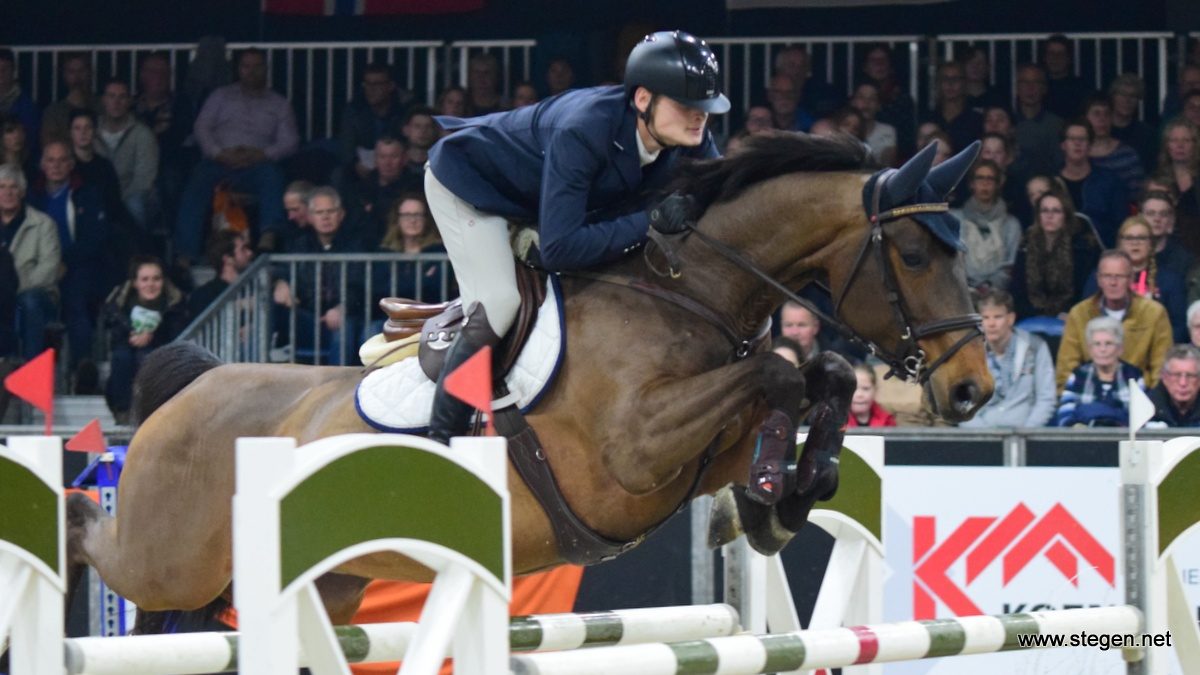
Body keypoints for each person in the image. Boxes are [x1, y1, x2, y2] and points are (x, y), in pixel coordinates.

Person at [422, 30, 727, 446]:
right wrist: (651, 221)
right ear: (643, 100)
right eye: (686, 105)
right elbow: (561, 249)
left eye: (705, 107)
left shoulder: (691, 137)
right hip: (470, 187)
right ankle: (440, 439)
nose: (700, 117)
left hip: (536, 200)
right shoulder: (584, 130)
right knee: (499, 300)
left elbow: (721, 200)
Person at [176, 47, 298, 263]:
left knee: (273, 176)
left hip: (258, 165)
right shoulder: (220, 96)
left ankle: (268, 237)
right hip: (219, 163)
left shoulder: (279, 103)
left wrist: (262, 154)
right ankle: (186, 254)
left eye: (257, 66)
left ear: (266, 69)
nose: (252, 72)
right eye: (246, 66)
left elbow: (290, 141)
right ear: (238, 69)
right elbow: (202, 127)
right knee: (197, 181)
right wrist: (218, 153)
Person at [27, 141, 112, 371]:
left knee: (77, 302)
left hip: (77, 266)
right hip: (37, 269)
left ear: (72, 164)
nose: (56, 165)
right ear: (42, 164)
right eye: (51, 160)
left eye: (62, 160)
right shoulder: (31, 197)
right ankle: (27, 368)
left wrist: (65, 262)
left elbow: (94, 239)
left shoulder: (86, 193)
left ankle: (82, 365)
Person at [271, 187, 364, 365]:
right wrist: (281, 282)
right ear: (310, 217)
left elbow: (359, 286)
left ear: (341, 214)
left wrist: (341, 308)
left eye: (330, 211)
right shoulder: (300, 244)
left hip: (343, 318)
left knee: (344, 330)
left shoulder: (355, 245)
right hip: (309, 319)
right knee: (270, 309)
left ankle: (335, 388)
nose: (325, 217)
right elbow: (283, 268)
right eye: (319, 212)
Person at [1056, 250, 1172, 390]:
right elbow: (1066, 368)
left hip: (1138, 394)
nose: (1113, 282)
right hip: (1088, 395)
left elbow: (1161, 368)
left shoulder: (1154, 313)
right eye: (1107, 276)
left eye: (1119, 276)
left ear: (1130, 279)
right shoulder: (1079, 314)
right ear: (1098, 280)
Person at [102, 255, 187, 423]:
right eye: (145, 279)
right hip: (125, 355)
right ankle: (123, 413)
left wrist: (152, 336)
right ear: (135, 283)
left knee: (148, 358)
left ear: (163, 282)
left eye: (156, 279)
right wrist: (132, 334)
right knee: (122, 357)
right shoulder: (120, 303)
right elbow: (113, 329)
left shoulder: (174, 304)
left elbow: (176, 337)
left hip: (161, 358)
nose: (151, 284)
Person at [1081, 216, 1188, 343]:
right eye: (1129, 238)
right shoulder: (1100, 276)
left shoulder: (1171, 280)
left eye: (1141, 238)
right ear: (1119, 243)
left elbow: (1179, 326)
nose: (1135, 243)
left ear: (1151, 244)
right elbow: (1086, 316)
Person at [959, 290, 1056, 428]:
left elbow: (1046, 398)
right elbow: (962, 402)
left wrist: (1027, 434)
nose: (991, 324)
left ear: (1010, 319)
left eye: (997, 317)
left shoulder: (1035, 347)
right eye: (985, 318)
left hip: (1025, 435)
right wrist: (981, 435)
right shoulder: (968, 353)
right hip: (980, 435)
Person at [1013, 189, 1100, 326]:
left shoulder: (1081, 248)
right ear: (1038, 216)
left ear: (1066, 215)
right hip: (1029, 318)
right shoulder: (1026, 246)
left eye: (1056, 211)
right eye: (1044, 211)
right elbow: (1017, 290)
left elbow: (1084, 292)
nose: (1049, 216)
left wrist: (1069, 314)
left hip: (1069, 318)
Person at [0, 162, 60, 361]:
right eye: (2, 187)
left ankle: (29, 372)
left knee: (29, 302)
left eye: (13, 187)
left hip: (35, 294)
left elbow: (49, 268)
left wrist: (11, 289)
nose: (8, 192)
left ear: (23, 191)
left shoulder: (43, 224)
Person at [1055, 315, 1144, 426]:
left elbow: (1142, 419)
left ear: (1120, 349)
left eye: (1108, 343)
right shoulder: (1078, 375)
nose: (1102, 349)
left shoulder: (1134, 375)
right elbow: (1064, 414)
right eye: (1097, 344)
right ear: (1090, 349)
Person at [95, 78, 159, 229]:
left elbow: (144, 180)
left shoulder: (143, 134)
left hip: (133, 195)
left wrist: (116, 201)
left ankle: (136, 250)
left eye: (122, 97)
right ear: (103, 100)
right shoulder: (90, 130)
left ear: (130, 101)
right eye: (111, 96)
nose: (116, 102)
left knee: (134, 203)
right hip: (98, 195)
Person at [951, 159, 1020, 293]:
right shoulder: (954, 219)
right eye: (980, 178)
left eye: (990, 178)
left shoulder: (1012, 225)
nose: (985, 183)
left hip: (999, 295)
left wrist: (989, 286)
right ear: (972, 184)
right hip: (962, 292)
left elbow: (1010, 265)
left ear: (998, 184)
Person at [1057, 119, 1128, 247]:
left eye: (1082, 139)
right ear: (1063, 145)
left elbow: (1122, 226)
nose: (1077, 143)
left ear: (1090, 145)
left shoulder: (1110, 181)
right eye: (1072, 138)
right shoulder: (1051, 182)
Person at [338, 63, 407, 180]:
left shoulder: (404, 109)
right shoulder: (355, 109)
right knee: (339, 174)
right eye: (367, 84)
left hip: (396, 163)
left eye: (377, 84)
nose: (371, 89)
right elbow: (346, 147)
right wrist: (355, 164)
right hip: (362, 166)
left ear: (391, 86)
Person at [376, 194, 448, 304]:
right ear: (397, 220)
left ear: (426, 219)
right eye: (406, 215)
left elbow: (435, 289)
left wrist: (400, 284)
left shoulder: (438, 251)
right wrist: (423, 279)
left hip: (429, 315)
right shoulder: (385, 253)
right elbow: (381, 291)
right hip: (392, 317)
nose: (412, 220)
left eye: (418, 215)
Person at [861, 43, 916, 158]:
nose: (879, 64)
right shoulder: (857, 98)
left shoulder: (903, 100)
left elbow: (908, 139)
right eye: (873, 60)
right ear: (865, 67)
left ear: (891, 66)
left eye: (883, 60)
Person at [1084, 95, 1144, 197]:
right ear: (1085, 118)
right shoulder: (1078, 154)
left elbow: (1138, 195)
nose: (1102, 119)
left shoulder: (1127, 155)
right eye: (1096, 114)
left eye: (1107, 114)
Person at [924, 61, 983, 160]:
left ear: (964, 83)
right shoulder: (929, 118)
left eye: (955, 79)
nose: (950, 84)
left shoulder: (976, 120)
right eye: (945, 79)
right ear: (938, 83)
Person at [188, 229, 253, 317]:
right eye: (243, 249)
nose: (250, 253)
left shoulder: (255, 287)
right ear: (228, 259)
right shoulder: (204, 296)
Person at [1013, 64, 1064, 177]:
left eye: (1036, 82)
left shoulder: (1057, 125)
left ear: (1044, 88)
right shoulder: (1007, 123)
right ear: (1017, 87)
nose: (1030, 88)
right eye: (1024, 82)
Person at [1154, 119, 1200, 233]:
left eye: (1186, 140)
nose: (1180, 145)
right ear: (1166, 145)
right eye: (1174, 140)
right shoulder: (1157, 180)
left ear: (1195, 145)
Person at [40, 52, 96, 145]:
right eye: (71, 72)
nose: (77, 77)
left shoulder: (103, 106)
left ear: (89, 73)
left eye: (81, 70)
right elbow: (49, 145)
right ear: (64, 76)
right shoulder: (53, 113)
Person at [1140, 190, 1193, 280]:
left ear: (1171, 220)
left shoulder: (1184, 260)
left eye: (1163, 214)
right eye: (1151, 213)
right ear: (1140, 218)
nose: (1157, 219)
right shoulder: (1129, 255)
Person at [1108, 74, 1156, 173]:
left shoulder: (1146, 133)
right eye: (1123, 94)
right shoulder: (1102, 129)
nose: (1127, 100)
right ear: (1113, 97)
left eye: (1133, 96)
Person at [1041, 34, 1095, 119]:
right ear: (1044, 57)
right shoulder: (1037, 87)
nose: (1055, 58)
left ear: (1069, 58)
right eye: (1051, 53)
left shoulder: (1081, 87)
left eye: (1061, 53)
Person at [1146, 344, 1200, 427]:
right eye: (1176, 375)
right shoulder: (1147, 410)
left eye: (1190, 376)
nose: (1183, 383)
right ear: (1164, 377)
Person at [850, 82, 896, 166]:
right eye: (861, 97)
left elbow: (887, 164)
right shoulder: (843, 129)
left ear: (879, 105)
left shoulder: (887, 131)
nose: (866, 102)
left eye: (872, 99)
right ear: (853, 102)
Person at [0, 48, 39, 144]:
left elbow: (31, 141)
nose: (1, 73)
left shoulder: (28, 107)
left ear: (13, 70)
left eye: (5, 68)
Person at [845, 362, 897, 428]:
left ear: (875, 390)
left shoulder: (887, 421)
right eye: (853, 388)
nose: (859, 394)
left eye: (865, 389)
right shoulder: (835, 421)